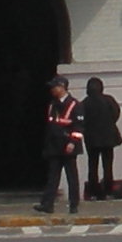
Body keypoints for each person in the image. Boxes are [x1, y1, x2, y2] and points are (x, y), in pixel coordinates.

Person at [39, 77, 84, 214]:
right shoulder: (53, 104)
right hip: (54, 146)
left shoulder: (75, 104)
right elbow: (51, 125)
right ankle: (47, 204)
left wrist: (72, 142)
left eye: (54, 87)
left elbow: (79, 127)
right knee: (53, 177)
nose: (52, 90)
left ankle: (74, 205)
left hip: (68, 146)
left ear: (62, 87)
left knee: (72, 177)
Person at [77, 76, 122, 196]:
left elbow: (81, 120)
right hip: (108, 137)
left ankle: (94, 190)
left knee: (92, 164)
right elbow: (116, 113)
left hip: (91, 139)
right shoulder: (108, 100)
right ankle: (108, 189)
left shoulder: (84, 103)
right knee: (108, 165)